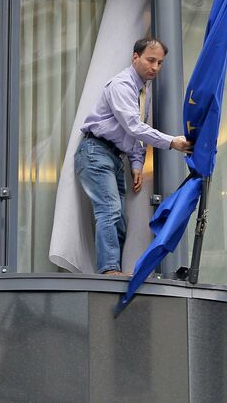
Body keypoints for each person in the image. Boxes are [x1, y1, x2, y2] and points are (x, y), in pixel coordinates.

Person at [75, 37, 192, 275]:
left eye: (160, 63)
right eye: (151, 60)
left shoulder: (141, 91)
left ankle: (111, 270)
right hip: (96, 151)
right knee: (110, 209)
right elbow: (133, 127)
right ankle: (109, 271)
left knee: (117, 216)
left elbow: (133, 131)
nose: (155, 67)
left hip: (112, 156)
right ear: (135, 57)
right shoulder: (121, 85)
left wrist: (137, 163)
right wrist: (172, 142)